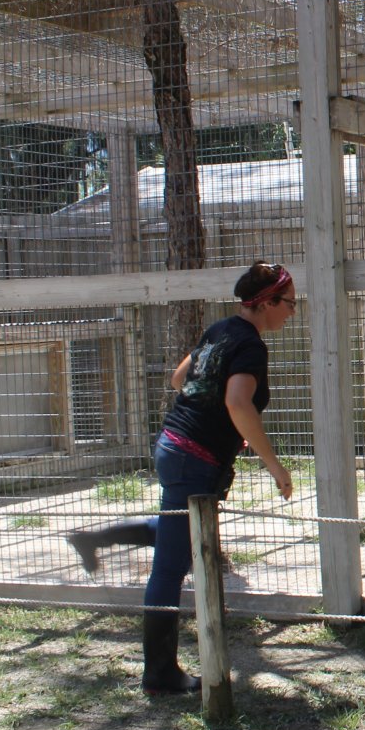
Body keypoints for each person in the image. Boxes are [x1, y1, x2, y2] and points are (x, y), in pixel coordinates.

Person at [66, 262, 297, 695]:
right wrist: (275, 466)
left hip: (173, 444)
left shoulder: (220, 330)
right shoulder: (250, 346)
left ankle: (94, 539)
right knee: (170, 566)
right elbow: (238, 403)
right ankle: (158, 673)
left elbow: (180, 379)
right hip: (193, 459)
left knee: (179, 535)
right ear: (266, 303)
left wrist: (219, 425)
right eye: (289, 303)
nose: (292, 311)